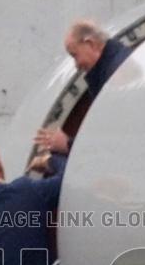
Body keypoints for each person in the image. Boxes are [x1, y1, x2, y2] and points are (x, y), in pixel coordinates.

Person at [34, 19, 133, 171]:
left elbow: (113, 140)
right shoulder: (113, 67)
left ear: (90, 43)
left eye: (75, 55)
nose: (76, 65)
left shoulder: (116, 75)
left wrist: (66, 144)